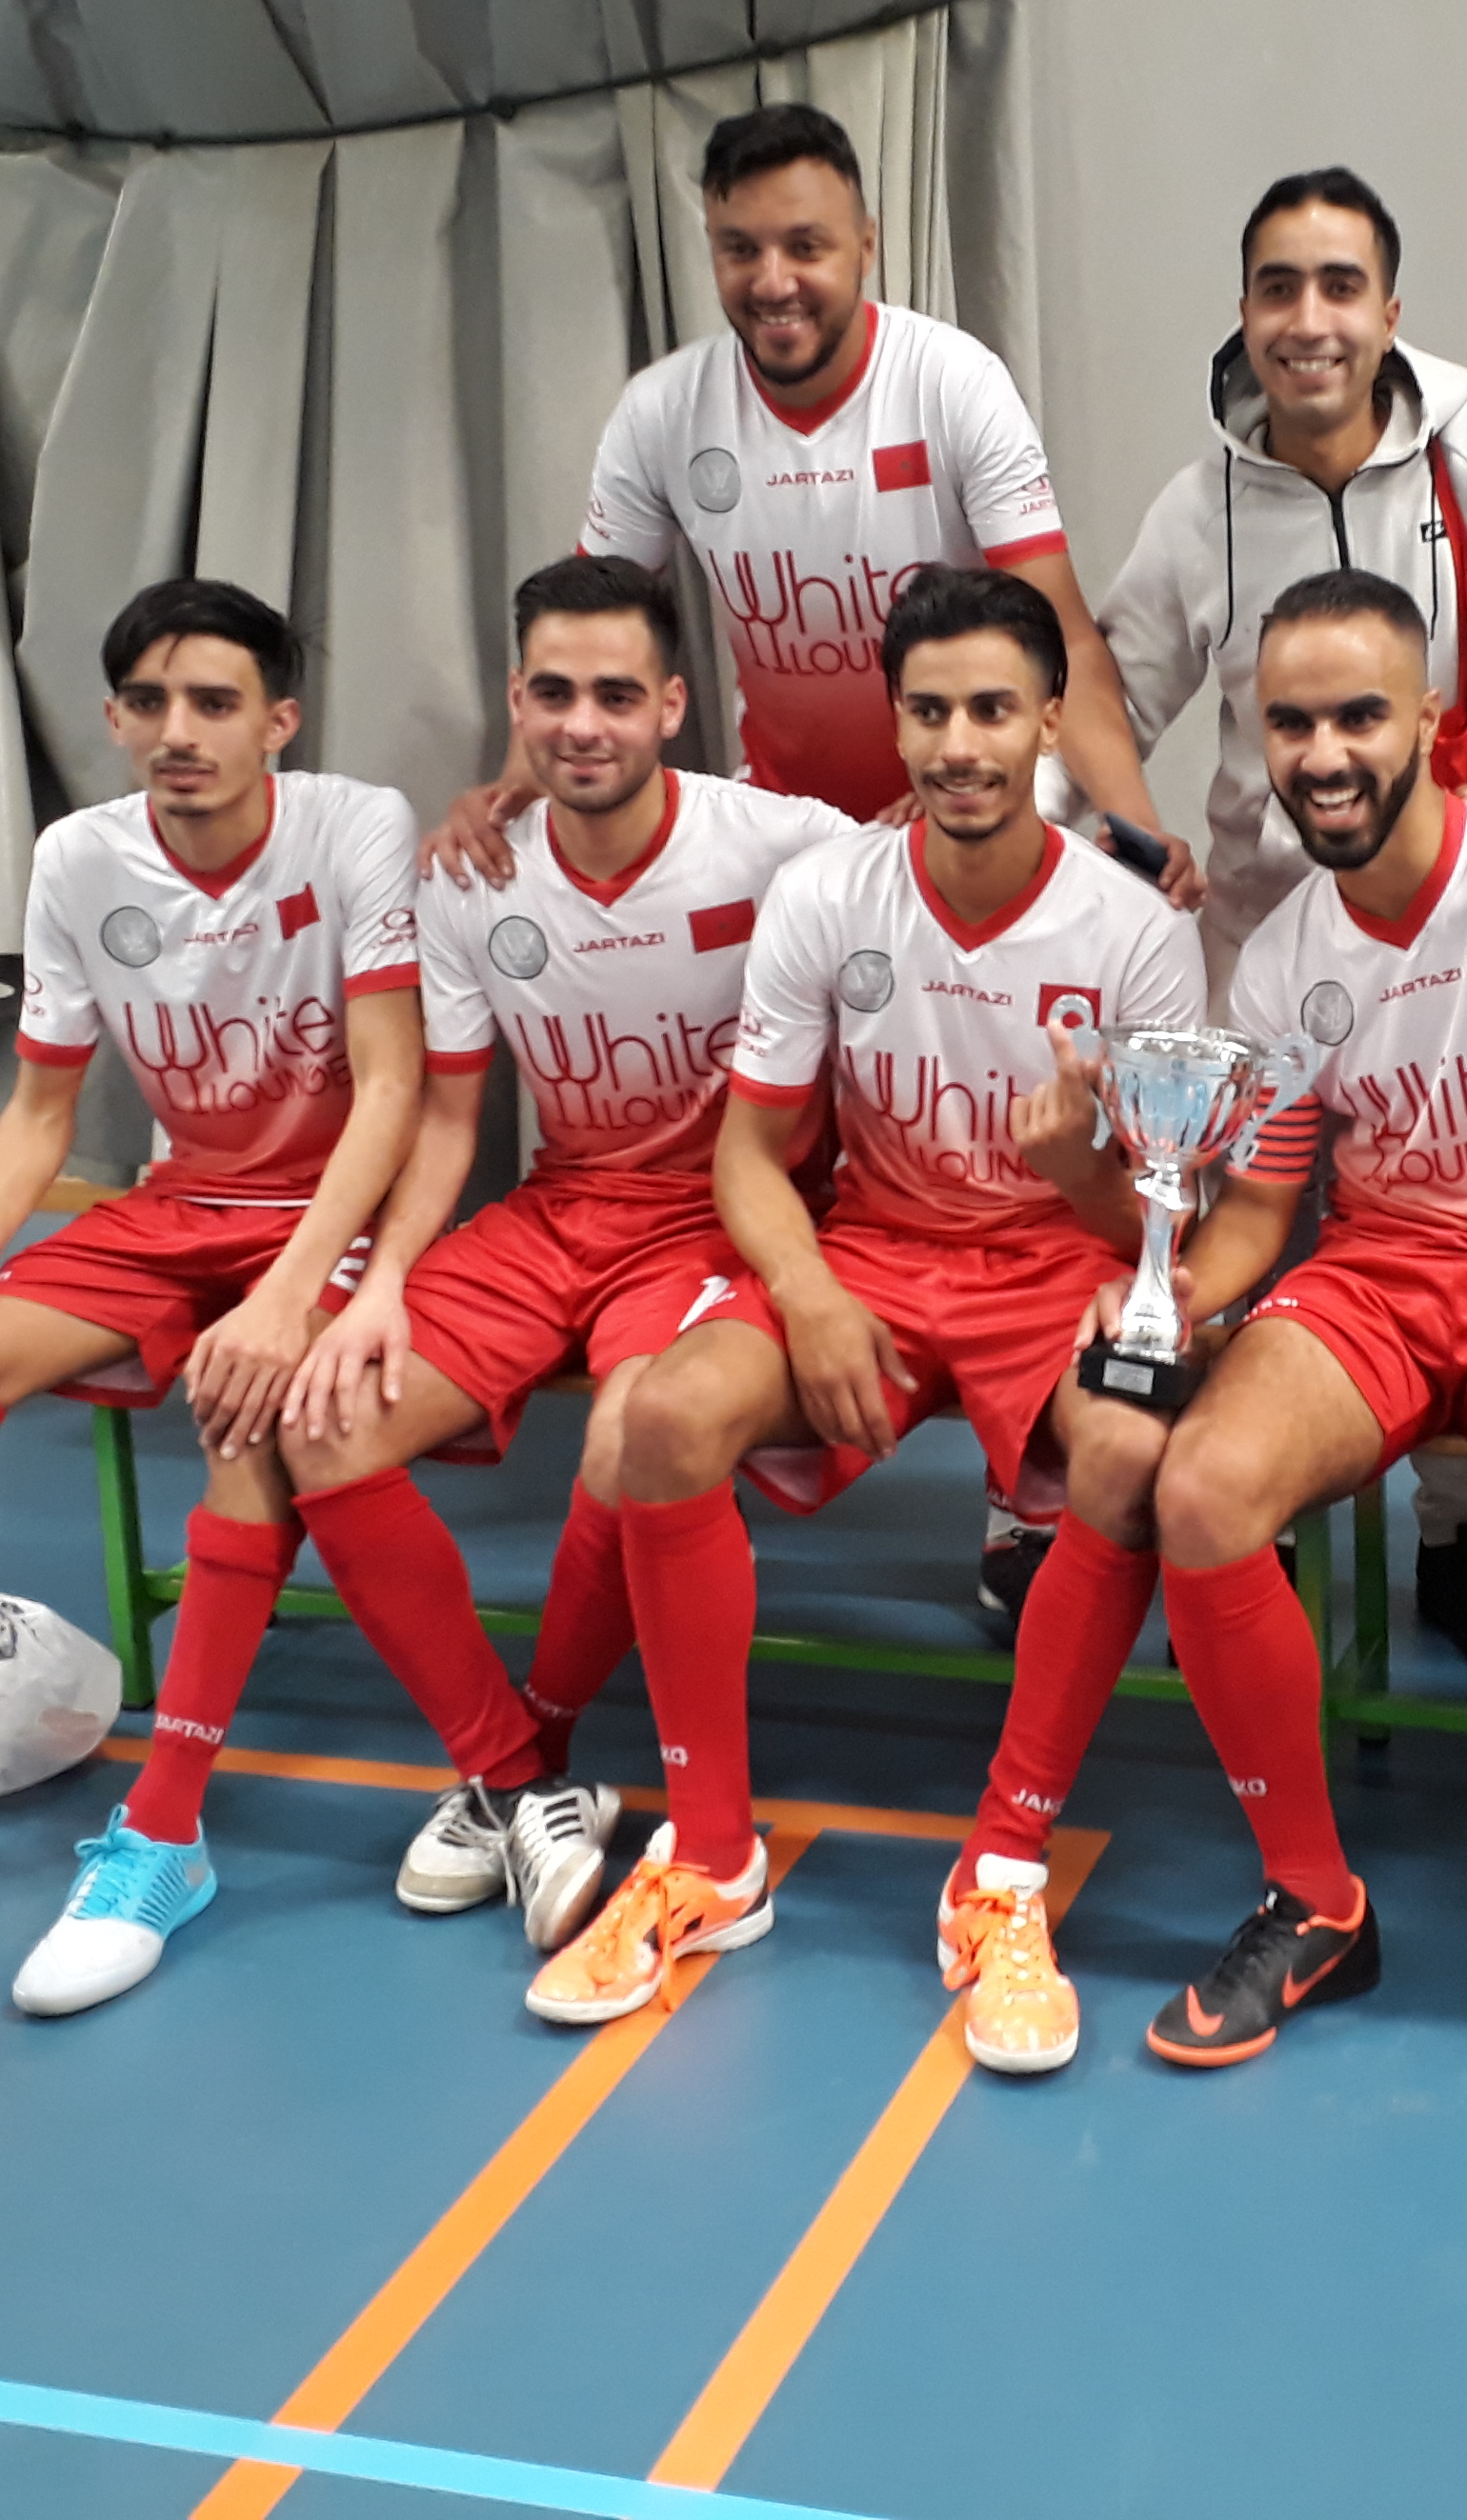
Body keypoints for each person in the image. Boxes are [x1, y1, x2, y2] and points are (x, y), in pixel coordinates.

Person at [934, 570, 1467, 2134]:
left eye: (1356, 717)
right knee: (1201, 1491)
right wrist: (1167, 1297)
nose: (1322, 754)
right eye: (1290, 724)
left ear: (1431, 721)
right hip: (1381, 1283)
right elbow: (1264, 1213)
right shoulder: (1282, 959)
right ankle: (1314, 1899)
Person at [451, 99, 1199, 1630]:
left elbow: (1059, 627)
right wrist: (515, 774)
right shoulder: (664, 412)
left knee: (1017, 1126)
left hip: (981, 793)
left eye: (805, 244)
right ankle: (767, 1359)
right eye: (741, 249)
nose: (774, 278)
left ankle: (1025, 1473)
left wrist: (1128, 831)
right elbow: (599, 628)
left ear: (866, 242)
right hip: (806, 828)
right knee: (812, 1134)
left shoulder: (951, 381)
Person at [517, 565, 1205, 2028]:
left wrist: (1081, 1174)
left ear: (1051, 720)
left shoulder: (1135, 929)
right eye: (930, 712)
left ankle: (1003, 1865)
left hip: (1053, 1268)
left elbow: (1162, 1218)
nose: (961, 745)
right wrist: (809, 1293)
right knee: (660, 1420)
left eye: (993, 711)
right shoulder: (829, 894)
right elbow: (749, 1153)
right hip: (872, 1253)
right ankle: (711, 1855)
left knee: (1133, 1453)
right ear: (894, 723)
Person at [0, 580, 426, 2016]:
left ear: (278, 722)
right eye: (151, 703)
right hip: (178, 1205)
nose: (180, 732)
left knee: (249, 1418)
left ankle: (164, 1835)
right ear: (114, 718)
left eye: (216, 703)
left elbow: (391, 1090)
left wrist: (286, 1299)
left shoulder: (353, 827)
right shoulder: (78, 858)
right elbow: (43, 1111)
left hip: (328, 1216)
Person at [264, 556, 853, 1984]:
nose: (583, 724)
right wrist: (383, 1281)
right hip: (557, 1207)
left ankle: (537, 1745)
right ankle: (519, 1778)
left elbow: (924, 856)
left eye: (615, 695)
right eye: (553, 693)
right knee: (317, 1422)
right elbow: (449, 1118)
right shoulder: (474, 873)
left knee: (629, 1437)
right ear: (516, 703)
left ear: (673, 706)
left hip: (717, 1219)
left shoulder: (779, 841)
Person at [1097, 165, 1467, 1680]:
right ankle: (1252, 1516)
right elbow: (1108, 691)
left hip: (1459, 934)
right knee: (1264, 1246)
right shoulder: (1201, 500)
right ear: (1244, 312)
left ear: (1391, 312)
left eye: (1340, 286)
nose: (1309, 319)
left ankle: (1457, 1540)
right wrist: (1117, 840)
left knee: (1461, 1225)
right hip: (1271, 945)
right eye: (1279, 287)